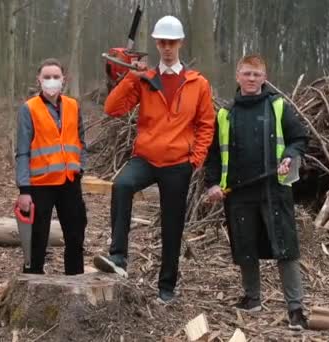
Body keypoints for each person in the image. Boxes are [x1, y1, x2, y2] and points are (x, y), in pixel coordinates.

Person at [93, 16, 215, 304]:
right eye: (162, 42)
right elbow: (112, 109)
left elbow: (206, 124)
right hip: (146, 157)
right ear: (156, 44)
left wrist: (194, 160)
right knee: (122, 185)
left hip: (178, 163)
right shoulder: (144, 78)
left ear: (180, 43)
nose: (167, 48)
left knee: (172, 226)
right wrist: (131, 77)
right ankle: (118, 257)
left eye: (172, 42)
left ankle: (167, 287)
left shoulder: (197, 83)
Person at [204, 54, 309, 330]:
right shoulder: (225, 114)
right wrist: (213, 184)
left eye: (257, 74)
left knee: (286, 247)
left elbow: (300, 138)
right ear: (237, 76)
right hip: (237, 192)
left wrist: (290, 155)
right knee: (244, 245)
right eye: (247, 74)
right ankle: (252, 298)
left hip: (274, 189)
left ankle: (296, 308)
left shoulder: (277, 106)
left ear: (265, 77)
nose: (251, 79)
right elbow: (213, 155)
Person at [15, 58, 87, 275]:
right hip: (40, 185)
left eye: (56, 76)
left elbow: (81, 140)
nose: (51, 81)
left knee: (75, 236)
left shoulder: (73, 106)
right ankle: (32, 283)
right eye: (47, 77)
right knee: (37, 240)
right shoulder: (29, 109)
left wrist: (80, 167)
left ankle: (75, 282)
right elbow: (22, 151)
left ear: (64, 79)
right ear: (39, 80)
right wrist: (24, 190)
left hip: (69, 182)